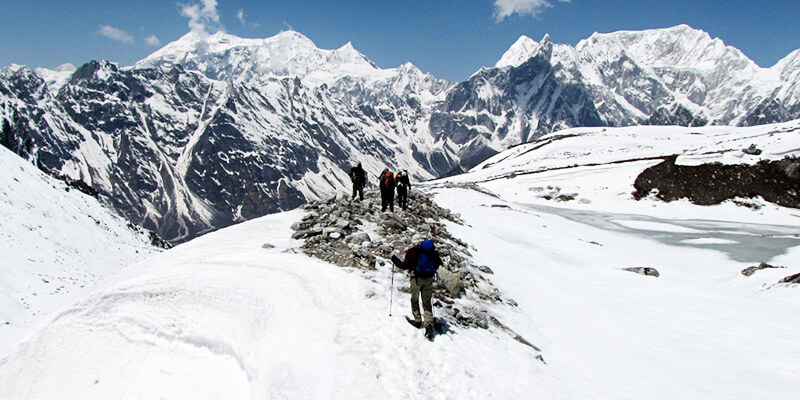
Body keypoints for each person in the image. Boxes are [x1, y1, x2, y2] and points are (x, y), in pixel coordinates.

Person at [401, 239, 443, 340]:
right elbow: (438, 264)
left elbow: (405, 266)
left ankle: (417, 320)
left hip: (416, 279)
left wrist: (394, 259)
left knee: (414, 299)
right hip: (428, 279)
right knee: (427, 302)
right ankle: (429, 325)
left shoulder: (413, 252)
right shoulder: (433, 252)